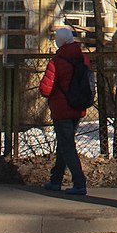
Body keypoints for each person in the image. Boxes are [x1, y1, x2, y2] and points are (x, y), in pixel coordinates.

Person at [39, 26, 90, 196]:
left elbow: (45, 89)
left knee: (67, 146)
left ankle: (79, 182)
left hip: (62, 110)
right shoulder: (84, 59)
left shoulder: (56, 62)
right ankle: (55, 180)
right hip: (78, 106)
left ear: (59, 42)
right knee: (64, 144)